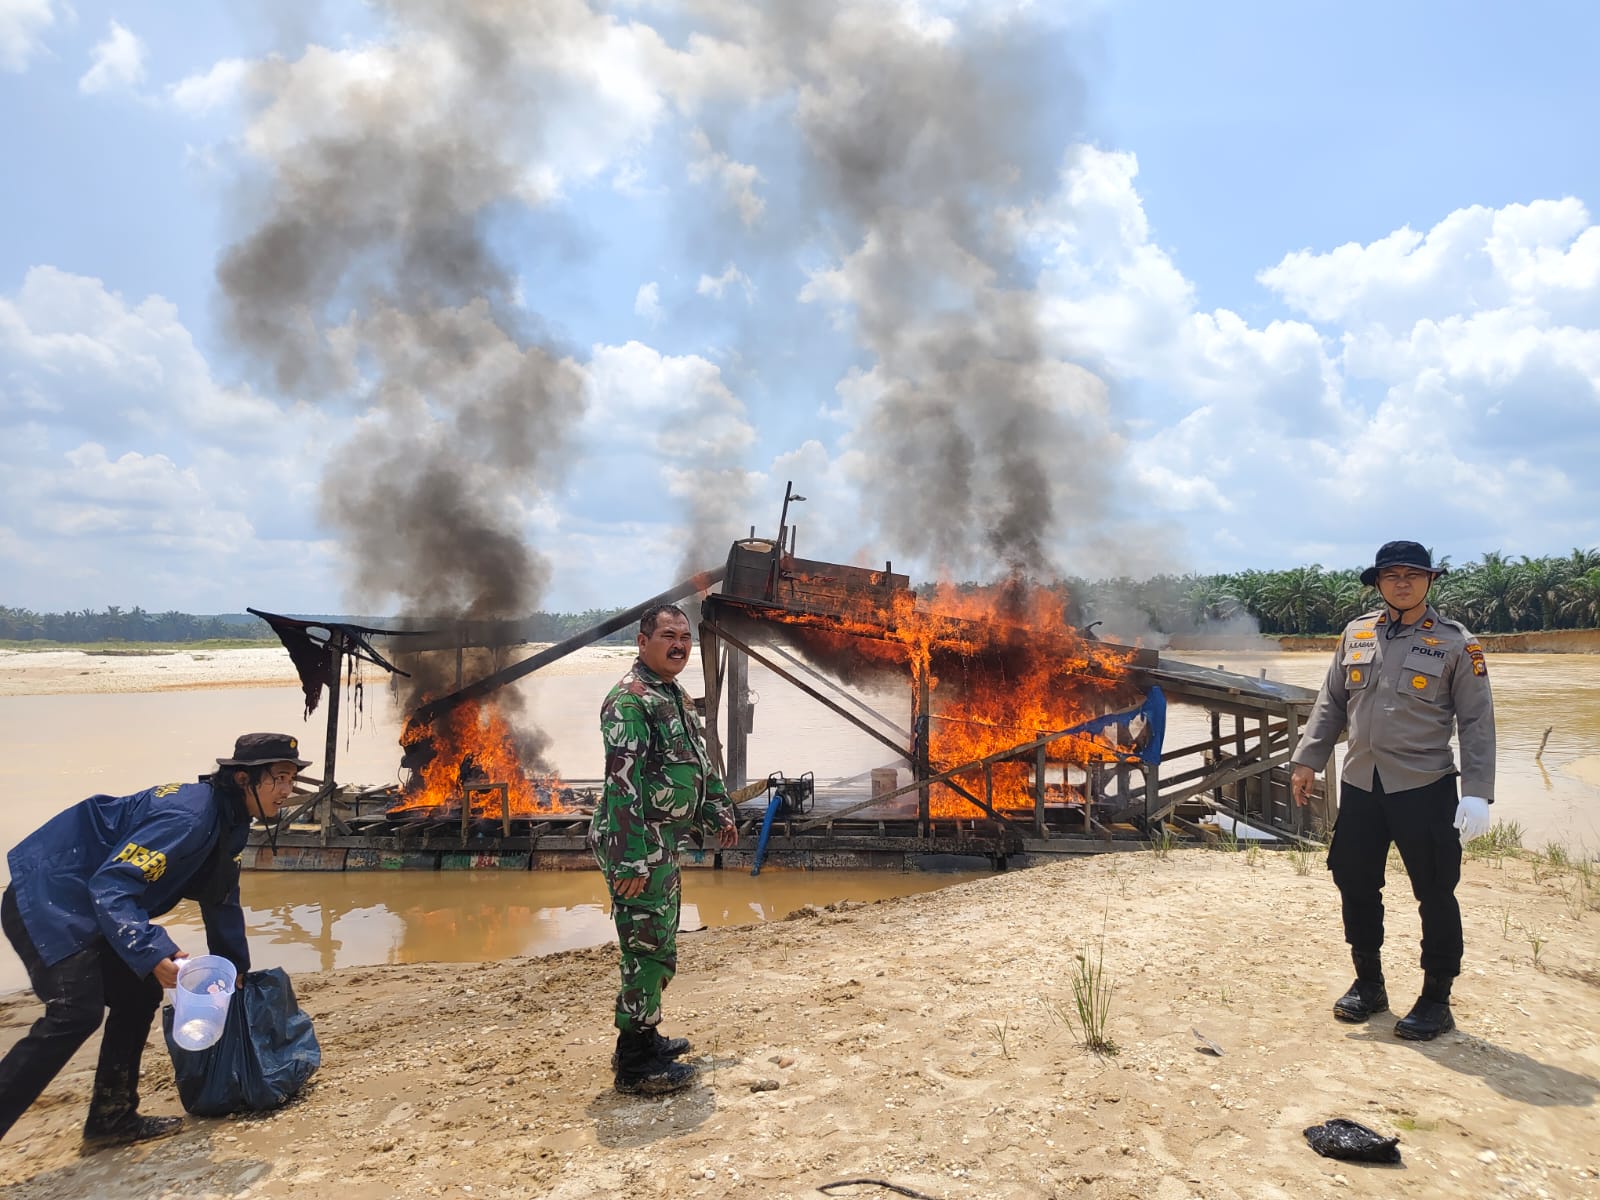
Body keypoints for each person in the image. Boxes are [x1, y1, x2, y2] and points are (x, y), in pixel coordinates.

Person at [0, 733, 308, 1148]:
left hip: (89, 903)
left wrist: (233, 968)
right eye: (279, 778)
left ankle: (112, 1119)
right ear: (243, 779)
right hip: (50, 898)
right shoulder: (189, 816)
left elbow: (221, 897)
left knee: (139, 993)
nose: (288, 791)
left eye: (292, 779)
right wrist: (150, 949)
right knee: (75, 1012)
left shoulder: (231, 820)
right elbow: (112, 884)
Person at [1290, 541, 1496, 1041]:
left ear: (1430, 581)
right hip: (1361, 783)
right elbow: (1331, 702)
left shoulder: (1456, 643)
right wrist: (1307, 759)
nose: (1402, 583)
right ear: (1378, 583)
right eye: (1391, 576)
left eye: (1412, 575)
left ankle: (1436, 1000)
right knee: (1355, 882)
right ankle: (1369, 984)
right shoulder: (1357, 633)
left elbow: (1476, 720)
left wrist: (1477, 791)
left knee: (1435, 890)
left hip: (1424, 786)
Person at [589, 603, 738, 1095]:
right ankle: (635, 1066)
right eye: (668, 636)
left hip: (662, 842)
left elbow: (698, 760)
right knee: (645, 947)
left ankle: (644, 1037)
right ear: (642, 641)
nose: (679, 645)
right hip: (637, 843)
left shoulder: (672, 695)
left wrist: (718, 809)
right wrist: (630, 859)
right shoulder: (629, 702)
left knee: (660, 942)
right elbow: (622, 786)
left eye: (684, 638)